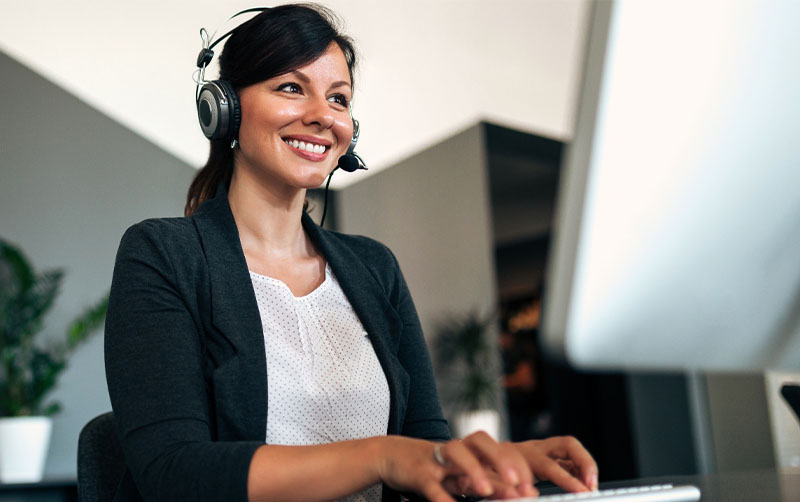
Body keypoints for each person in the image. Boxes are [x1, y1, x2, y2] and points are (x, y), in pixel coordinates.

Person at [104, 4, 598, 502]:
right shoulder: (163, 255)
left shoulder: (373, 267)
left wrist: (493, 468)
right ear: (225, 106)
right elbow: (173, 472)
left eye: (338, 98)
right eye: (291, 88)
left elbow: (427, 446)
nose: (322, 116)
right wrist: (379, 456)